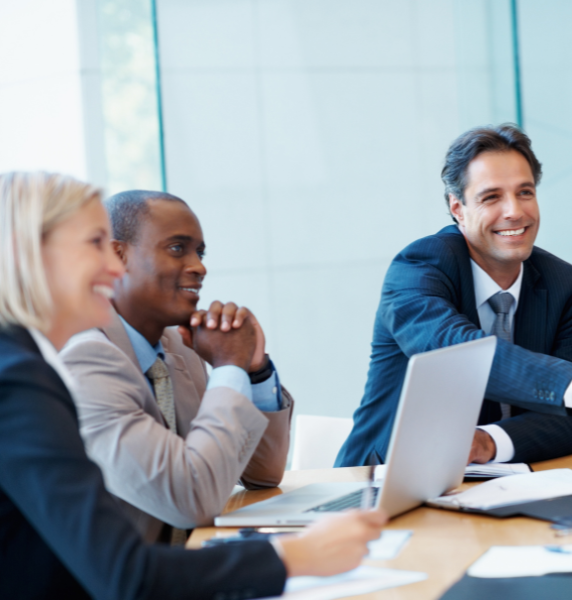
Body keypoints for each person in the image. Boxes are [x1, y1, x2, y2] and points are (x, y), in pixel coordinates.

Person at [0, 171, 385, 599]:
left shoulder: (171, 348)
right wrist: (293, 557)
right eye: (95, 244)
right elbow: (132, 568)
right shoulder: (22, 379)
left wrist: (251, 370)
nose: (112, 266)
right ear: (27, 252)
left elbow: (257, 471)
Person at [336, 124, 572, 468]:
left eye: (525, 192)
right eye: (491, 197)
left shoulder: (566, 285)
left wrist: (486, 443)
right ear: (458, 209)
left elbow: (569, 423)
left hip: (504, 490)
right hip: (382, 485)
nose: (514, 211)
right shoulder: (419, 267)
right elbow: (458, 353)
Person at [59, 190, 292, 544]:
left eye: (200, 252)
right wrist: (229, 367)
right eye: (177, 248)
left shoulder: (181, 348)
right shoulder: (85, 360)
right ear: (116, 256)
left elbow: (262, 474)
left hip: (192, 563)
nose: (200, 266)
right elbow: (190, 502)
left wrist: (253, 370)